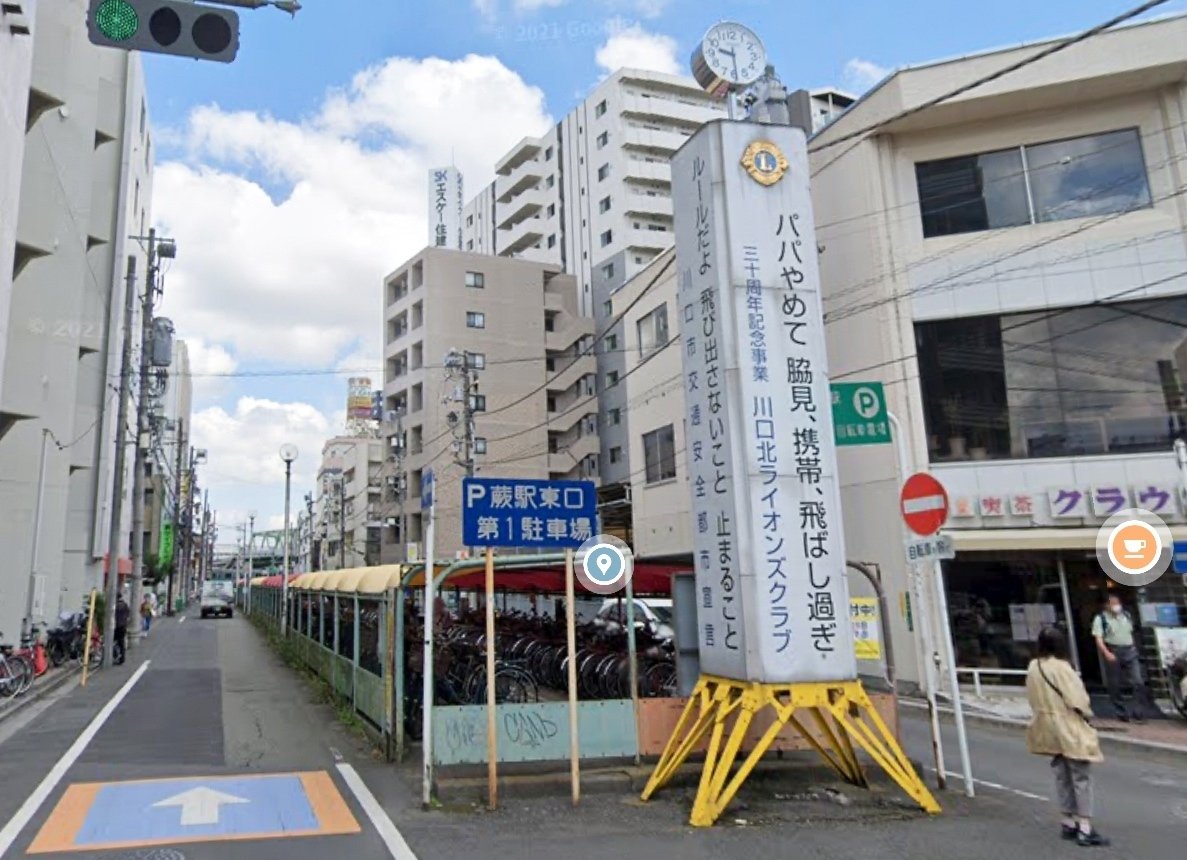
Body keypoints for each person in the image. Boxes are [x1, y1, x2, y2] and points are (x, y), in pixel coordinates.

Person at [1026, 626, 1109, 847]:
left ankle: (1067, 821)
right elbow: (1078, 699)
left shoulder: (1034, 666)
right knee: (1080, 775)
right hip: (1068, 723)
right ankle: (1085, 827)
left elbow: (1031, 696)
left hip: (1047, 725)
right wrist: (1088, 715)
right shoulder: (1063, 668)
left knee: (1061, 774)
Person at [1091, 593, 1149, 722]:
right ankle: (1121, 711)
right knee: (1115, 684)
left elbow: (1132, 632)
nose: (1117, 606)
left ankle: (1138, 711)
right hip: (1113, 650)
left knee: (1138, 681)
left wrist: (1134, 646)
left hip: (1130, 650)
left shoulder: (1127, 616)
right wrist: (1106, 653)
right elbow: (1098, 638)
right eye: (1113, 603)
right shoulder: (1101, 619)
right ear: (1107, 605)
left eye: (1118, 603)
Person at [114, 595, 130, 665]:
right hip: (123, 625)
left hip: (116, 626)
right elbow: (128, 614)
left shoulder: (115, 605)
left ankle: (116, 656)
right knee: (121, 643)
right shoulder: (125, 605)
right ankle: (122, 658)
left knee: (114, 641)